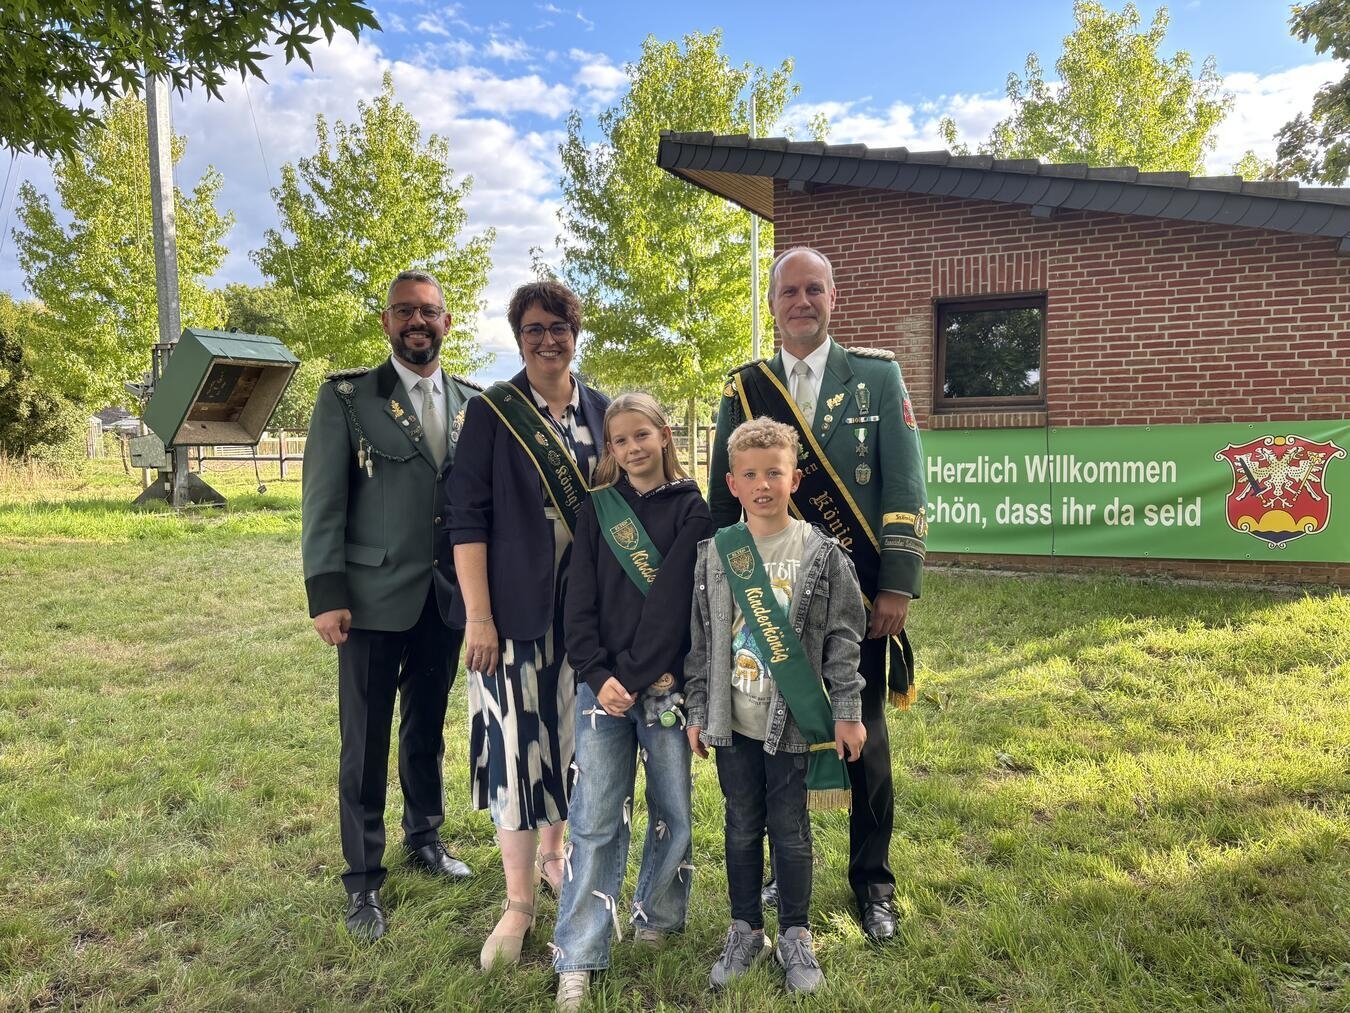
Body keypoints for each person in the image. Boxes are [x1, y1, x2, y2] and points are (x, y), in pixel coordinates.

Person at [707, 246, 928, 943]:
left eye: (814, 290)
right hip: (765, 597)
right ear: (771, 304)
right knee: (771, 742)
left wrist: (895, 583)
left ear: (833, 297)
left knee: (865, 745)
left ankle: (873, 884)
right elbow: (722, 501)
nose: (801, 302)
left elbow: (904, 485)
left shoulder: (877, 376)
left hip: (851, 601)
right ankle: (780, 874)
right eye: (788, 292)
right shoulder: (743, 390)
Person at [301, 269, 481, 941]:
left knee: (425, 729)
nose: (418, 321)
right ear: (386, 322)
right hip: (371, 599)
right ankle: (363, 878)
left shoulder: (470, 401)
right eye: (405, 310)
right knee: (366, 741)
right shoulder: (347, 398)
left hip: (443, 598)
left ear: (447, 322)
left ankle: (425, 838)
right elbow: (323, 501)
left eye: (430, 311)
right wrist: (327, 593)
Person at [446, 280, 609, 969]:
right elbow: (467, 519)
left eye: (560, 327)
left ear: (576, 334)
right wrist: (477, 615)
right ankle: (518, 901)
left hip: (586, 614)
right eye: (536, 328)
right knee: (519, 747)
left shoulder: (601, 409)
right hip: (510, 613)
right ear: (519, 336)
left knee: (574, 744)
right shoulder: (492, 412)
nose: (549, 339)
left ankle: (557, 856)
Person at [685, 417, 866, 995]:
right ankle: (744, 929)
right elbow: (700, 640)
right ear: (732, 483)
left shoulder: (823, 554)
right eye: (750, 475)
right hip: (733, 720)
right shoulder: (716, 553)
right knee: (740, 827)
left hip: (792, 725)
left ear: (795, 478)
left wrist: (848, 708)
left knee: (790, 830)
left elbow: (843, 639)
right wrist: (696, 709)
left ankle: (795, 934)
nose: (763, 484)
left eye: (774, 472)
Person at [551, 393, 715, 1010]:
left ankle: (658, 919)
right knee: (593, 817)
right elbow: (580, 596)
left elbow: (675, 601)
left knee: (673, 807)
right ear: (610, 449)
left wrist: (642, 674)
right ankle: (579, 951)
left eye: (641, 435)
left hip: (665, 688)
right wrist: (596, 671)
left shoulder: (692, 511)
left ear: (663, 435)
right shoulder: (599, 510)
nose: (631, 448)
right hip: (603, 690)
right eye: (619, 441)